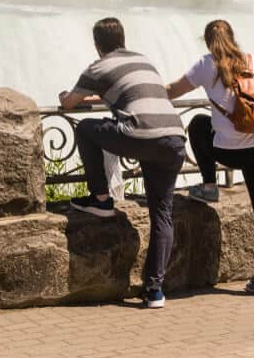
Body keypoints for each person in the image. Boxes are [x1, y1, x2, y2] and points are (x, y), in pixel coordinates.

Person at [59, 17, 186, 309]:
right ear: (123, 39)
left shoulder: (98, 66)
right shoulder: (143, 60)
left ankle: (101, 199)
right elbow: (133, 91)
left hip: (139, 134)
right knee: (162, 214)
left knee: (85, 129)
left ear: (97, 44)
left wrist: (66, 97)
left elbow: (70, 103)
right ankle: (155, 291)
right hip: (174, 138)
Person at [165, 19, 254, 297]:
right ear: (233, 38)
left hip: (231, 151)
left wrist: (142, 93)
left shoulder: (206, 65)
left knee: (197, 123)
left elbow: (173, 90)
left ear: (208, 42)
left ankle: (209, 186)